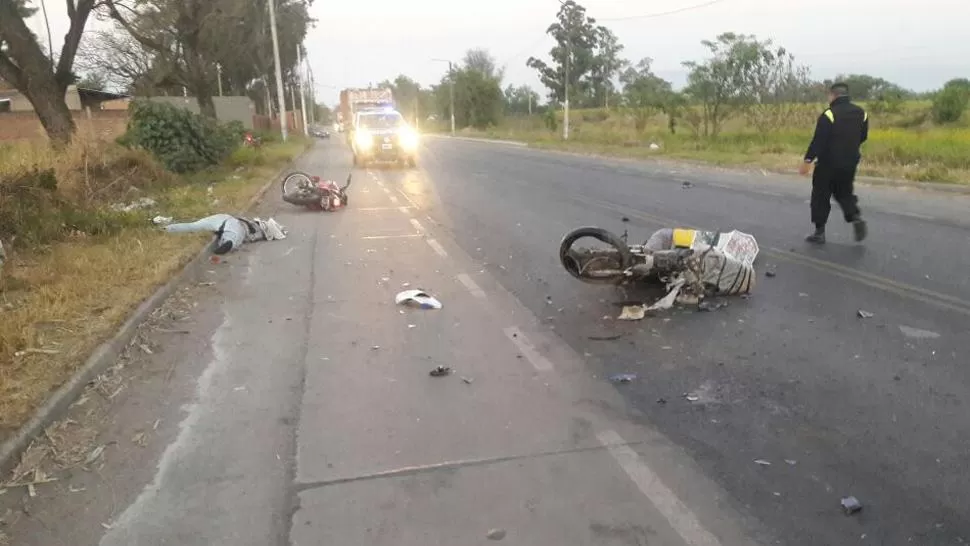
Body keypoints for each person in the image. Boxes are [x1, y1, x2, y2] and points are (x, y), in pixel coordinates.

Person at [799, 82, 869, 244]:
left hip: (828, 163)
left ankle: (819, 232)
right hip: (850, 162)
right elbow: (863, 136)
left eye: (829, 96)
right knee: (844, 192)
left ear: (834, 95)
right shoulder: (861, 113)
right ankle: (855, 216)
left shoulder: (829, 114)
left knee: (820, 195)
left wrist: (808, 160)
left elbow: (819, 141)